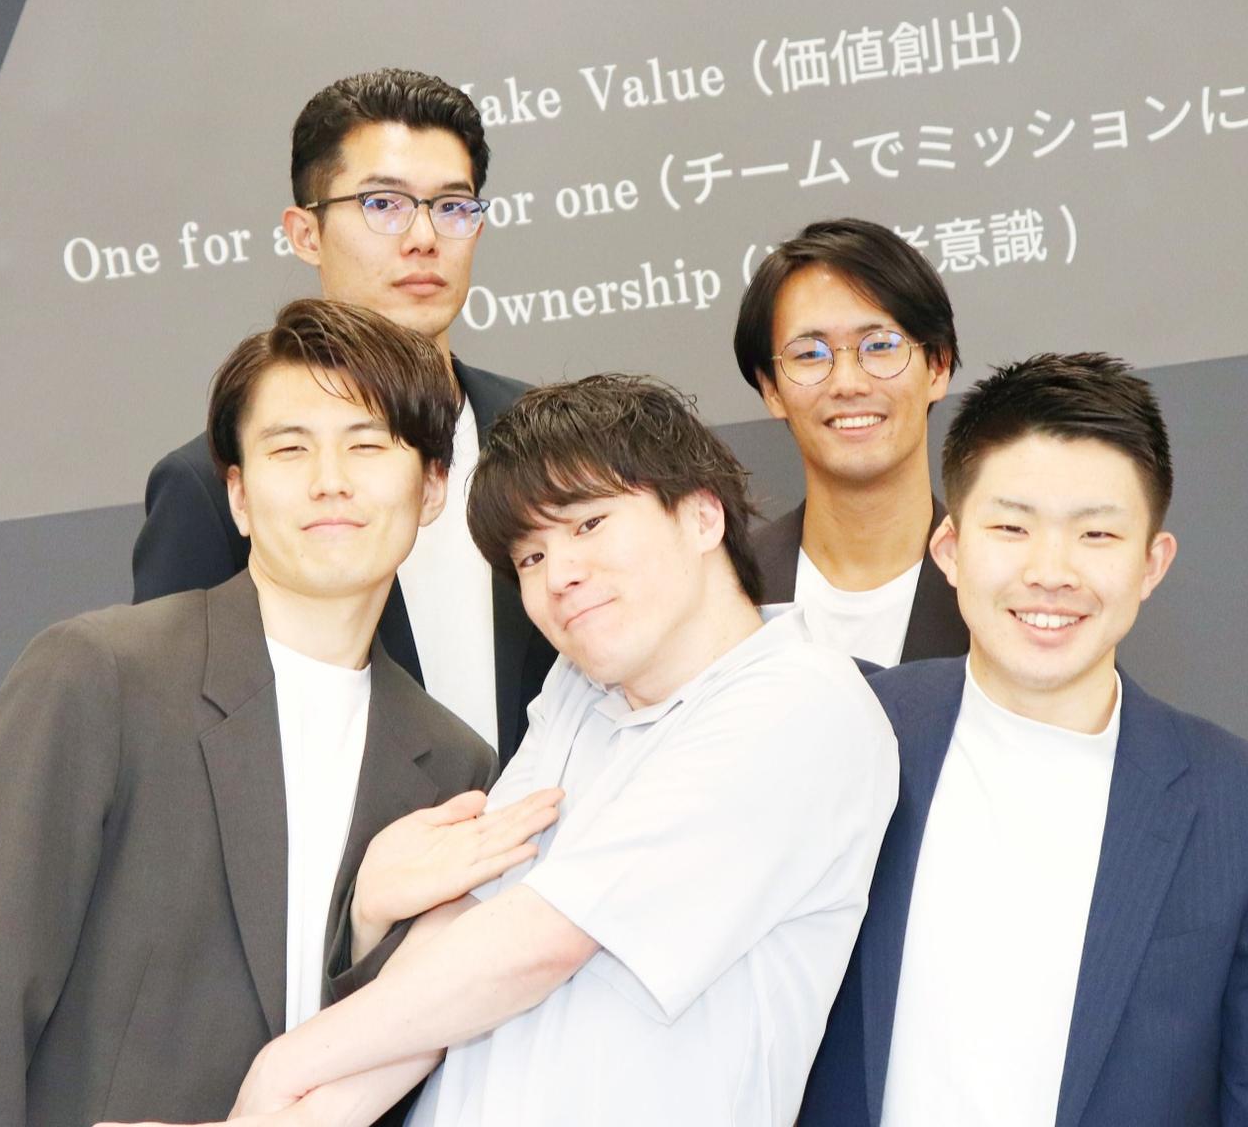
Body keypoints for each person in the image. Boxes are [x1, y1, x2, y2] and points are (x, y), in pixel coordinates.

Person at [122, 374, 898, 1127]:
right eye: (530, 557)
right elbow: (456, 935)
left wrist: (285, 1064)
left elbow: (535, 945)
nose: (560, 575)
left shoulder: (798, 703)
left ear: (700, 517)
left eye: (588, 525)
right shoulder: (578, 690)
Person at [0, 300, 551, 1126]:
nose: (330, 480)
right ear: (238, 494)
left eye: (367, 445)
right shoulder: (104, 677)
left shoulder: (451, 763)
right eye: (290, 448)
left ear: (433, 487)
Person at [798, 353, 1248, 1127]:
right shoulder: (845, 731)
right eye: (1011, 527)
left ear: (1151, 563)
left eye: (1096, 533)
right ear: (950, 548)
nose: (1050, 571)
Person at [133, 69, 553, 758]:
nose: (424, 238)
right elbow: (178, 741)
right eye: (383, 204)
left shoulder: (545, 436)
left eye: (453, 207)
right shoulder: (212, 483)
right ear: (305, 233)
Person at [732, 218, 967, 668]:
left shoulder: (1002, 583)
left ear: (937, 367)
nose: (847, 383)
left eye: (879, 346)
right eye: (810, 354)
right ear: (771, 389)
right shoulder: (729, 591)